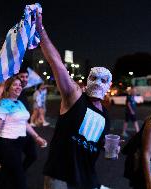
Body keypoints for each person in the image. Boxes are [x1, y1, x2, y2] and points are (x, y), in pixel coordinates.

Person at [35, 9, 113, 189]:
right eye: (94, 78)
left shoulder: (106, 116)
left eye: (104, 80)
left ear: (109, 85)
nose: (98, 83)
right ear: (87, 79)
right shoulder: (74, 96)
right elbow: (56, 63)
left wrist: (110, 147)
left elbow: (97, 144)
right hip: (60, 176)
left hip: (87, 180)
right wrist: (40, 29)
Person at [0, 76, 47, 189]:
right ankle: (15, 175)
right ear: (8, 88)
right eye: (15, 85)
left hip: (22, 140)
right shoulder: (2, 104)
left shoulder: (19, 103)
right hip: (8, 143)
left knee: (32, 156)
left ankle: (11, 176)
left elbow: (25, 123)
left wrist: (37, 137)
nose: (19, 87)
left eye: (20, 85)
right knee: (20, 182)